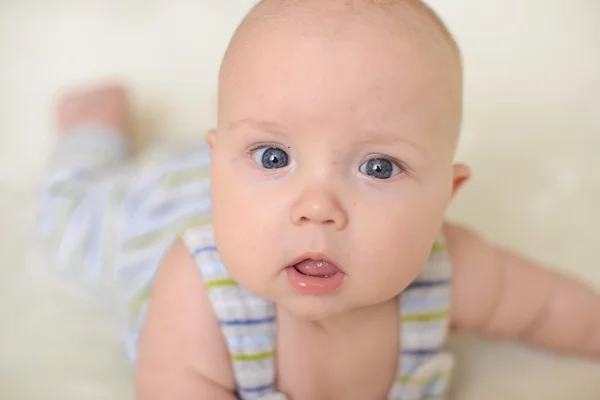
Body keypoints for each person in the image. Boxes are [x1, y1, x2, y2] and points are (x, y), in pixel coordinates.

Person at [38, 0, 600, 399]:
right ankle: (91, 129)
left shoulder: (452, 270)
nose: (317, 207)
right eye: (274, 157)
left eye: (378, 167)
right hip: (146, 216)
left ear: (444, 198)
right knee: (70, 217)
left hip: (236, 188)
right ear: (219, 167)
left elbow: (552, 309)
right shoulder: (197, 293)